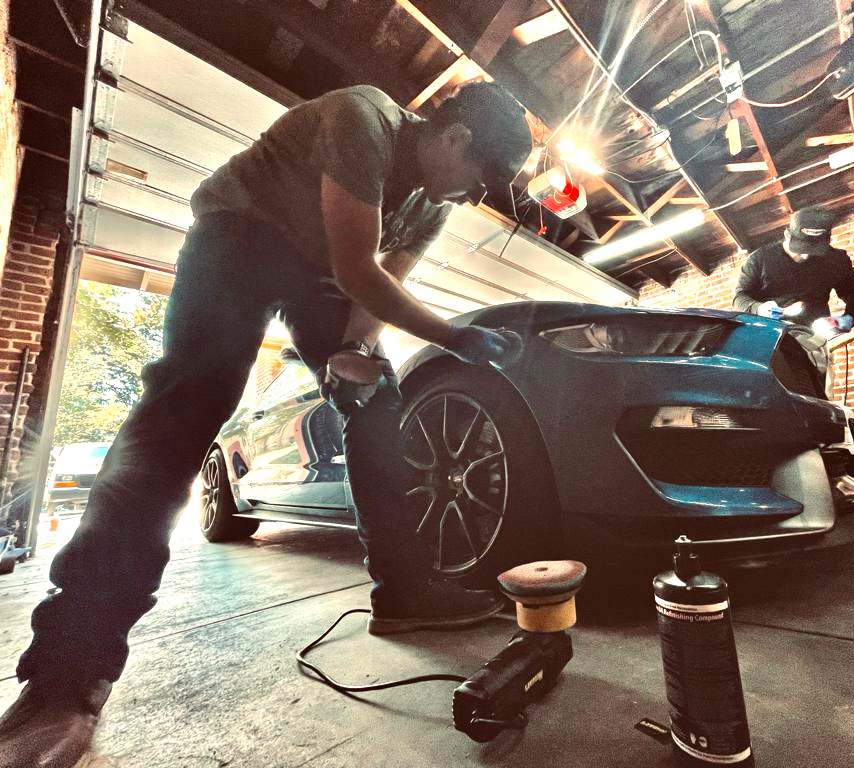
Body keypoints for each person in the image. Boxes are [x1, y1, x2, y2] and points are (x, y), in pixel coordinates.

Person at [0, 81, 533, 767]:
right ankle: (66, 673)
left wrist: (353, 353)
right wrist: (457, 337)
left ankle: (406, 589)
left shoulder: (430, 205)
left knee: (378, 400)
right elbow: (358, 268)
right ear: (456, 137)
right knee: (186, 406)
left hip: (321, 276)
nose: (468, 199)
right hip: (239, 237)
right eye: (477, 181)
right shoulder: (364, 118)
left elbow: (379, 288)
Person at [733, 206, 854, 334]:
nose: (806, 256)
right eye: (800, 248)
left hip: (815, 337)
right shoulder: (760, 259)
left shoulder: (835, 260)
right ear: (787, 235)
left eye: (815, 251)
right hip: (769, 335)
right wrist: (758, 308)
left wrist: (849, 317)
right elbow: (740, 299)